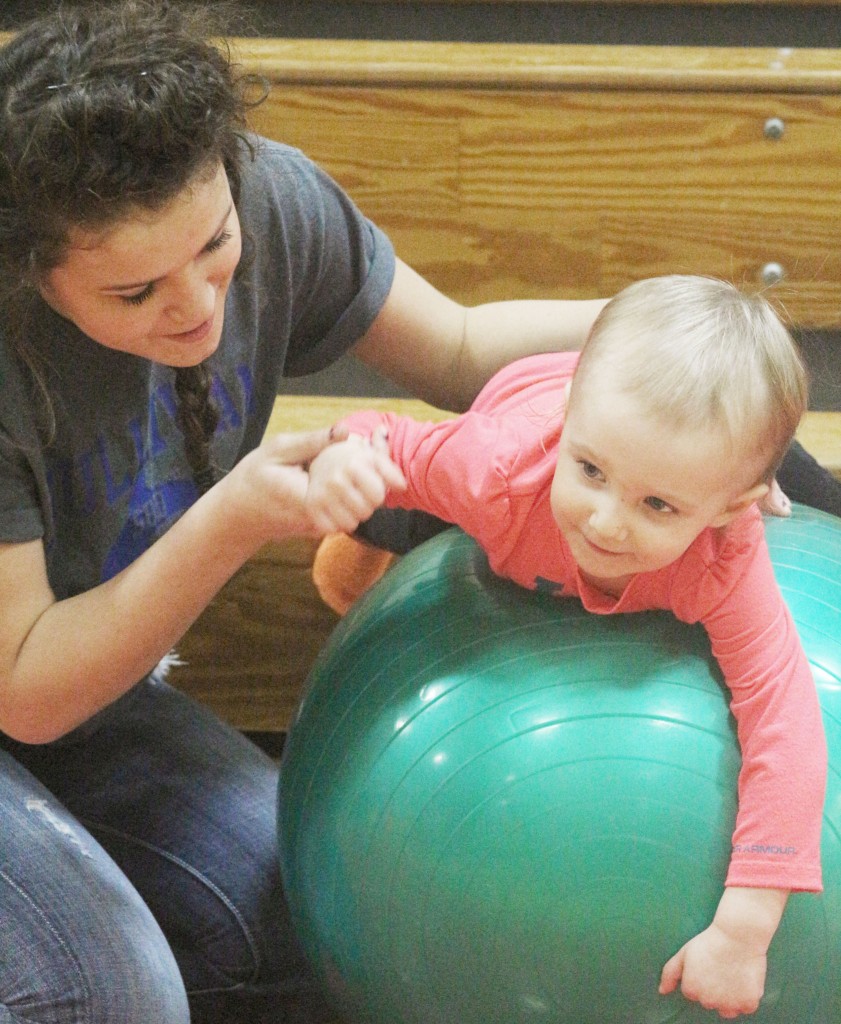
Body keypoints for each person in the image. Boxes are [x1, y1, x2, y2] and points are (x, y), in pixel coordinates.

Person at [0, 1, 619, 1021]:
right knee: (106, 994)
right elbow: (25, 690)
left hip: (75, 694)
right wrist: (236, 516)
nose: (196, 303)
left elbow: (459, 349)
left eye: (213, 245)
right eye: (135, 290)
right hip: (33, 680)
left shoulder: (271, 196)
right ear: (34, 272)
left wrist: (670, 328)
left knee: (317, 912)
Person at [308, 274, 828, 1019]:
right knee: (395, 514)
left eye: (657, 505)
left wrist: (745, 928)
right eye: (591, 473)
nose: (607, 523)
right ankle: (357, 552)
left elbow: (784, 717)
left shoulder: (723, 555)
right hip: (516, 438)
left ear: (729, 510)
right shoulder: (496, 469)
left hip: (660, 450)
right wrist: (344, 461)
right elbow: (383, 436)